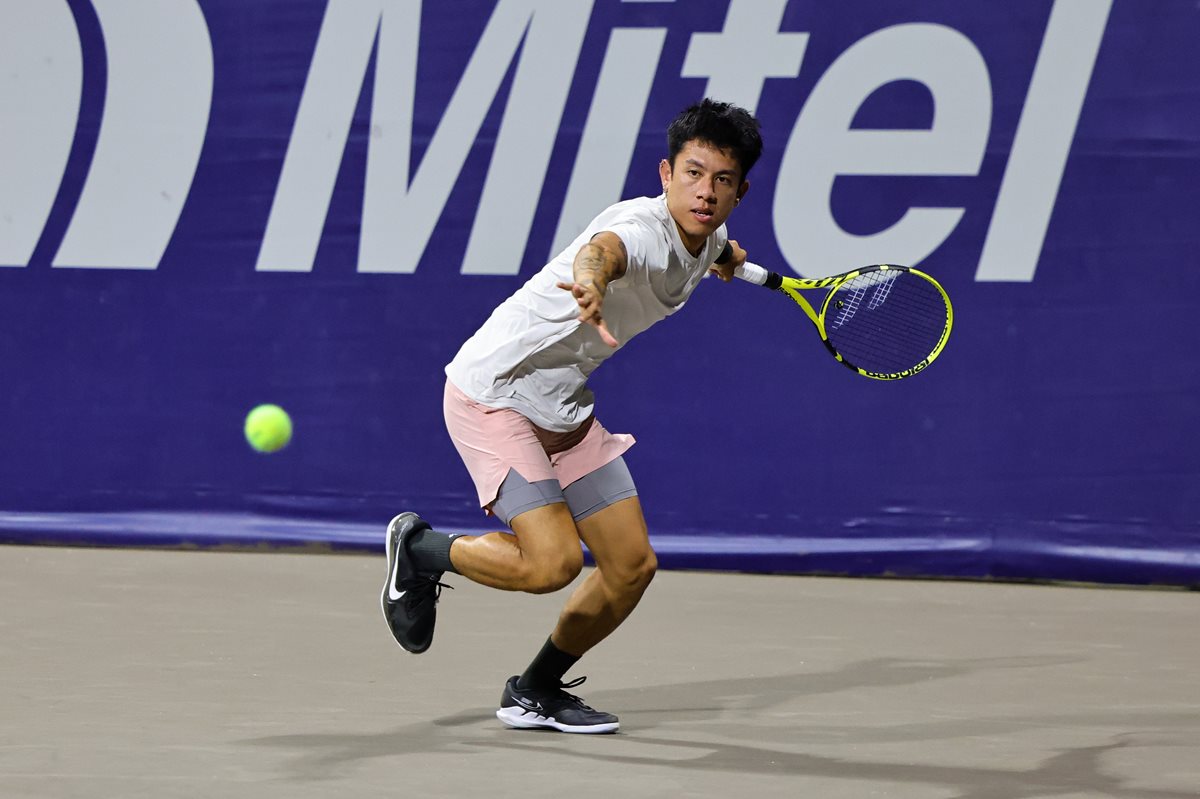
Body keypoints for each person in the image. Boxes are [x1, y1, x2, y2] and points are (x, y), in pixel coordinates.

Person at [381, 98, 763, 734]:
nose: (705, 192)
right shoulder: (639, 231)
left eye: (722, 181)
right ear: (666, 173)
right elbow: (604, 251)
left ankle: (533, 689)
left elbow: (717, 249)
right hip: (496, 391)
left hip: (562, 405)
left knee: (632, 566)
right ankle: (420, 550)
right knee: (552, 565)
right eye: (693, 174)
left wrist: (726, 259)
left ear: (739, 191)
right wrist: (591, 280)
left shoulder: (708, 235)